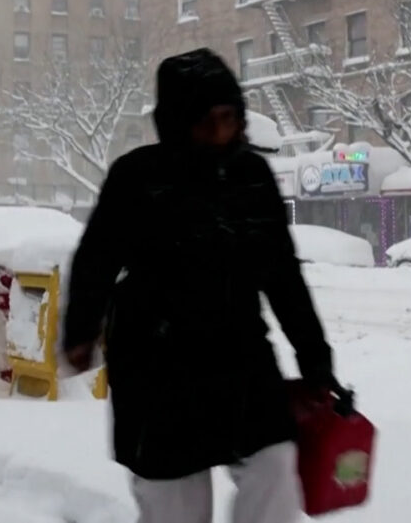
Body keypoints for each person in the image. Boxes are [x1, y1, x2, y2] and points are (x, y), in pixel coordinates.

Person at [62, 49, 342, 523]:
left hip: (240, 358)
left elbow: (282, 274)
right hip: (157, 369)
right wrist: (81, 330)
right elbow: (96, 259)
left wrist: (314, 358)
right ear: (177, 122)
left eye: (228, 117)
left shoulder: (252, 177)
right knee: (177, 504)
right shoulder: (139, 178)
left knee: (274, 465)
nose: (219, 131)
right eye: (205, 120)